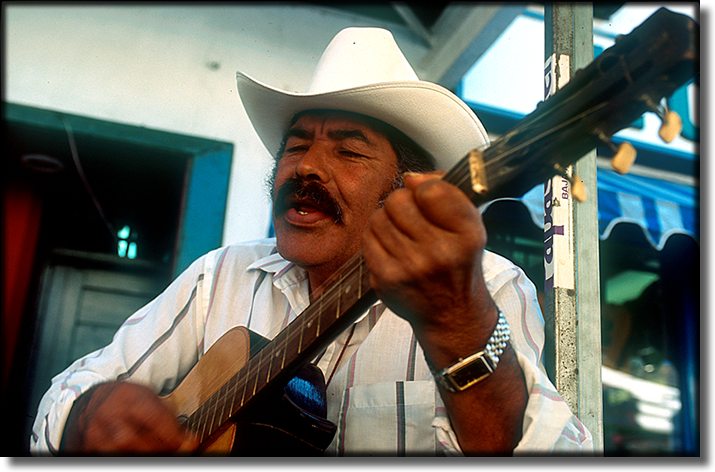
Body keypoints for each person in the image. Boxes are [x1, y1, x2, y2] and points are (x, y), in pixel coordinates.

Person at [31, 27, 592, 456]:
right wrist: (89, 414)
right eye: (295, 146)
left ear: (408, 189)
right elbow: (64, 399)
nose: (308, 168)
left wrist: (460, 322)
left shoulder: (485, 285)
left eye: (349, 151)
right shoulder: (220, 276)